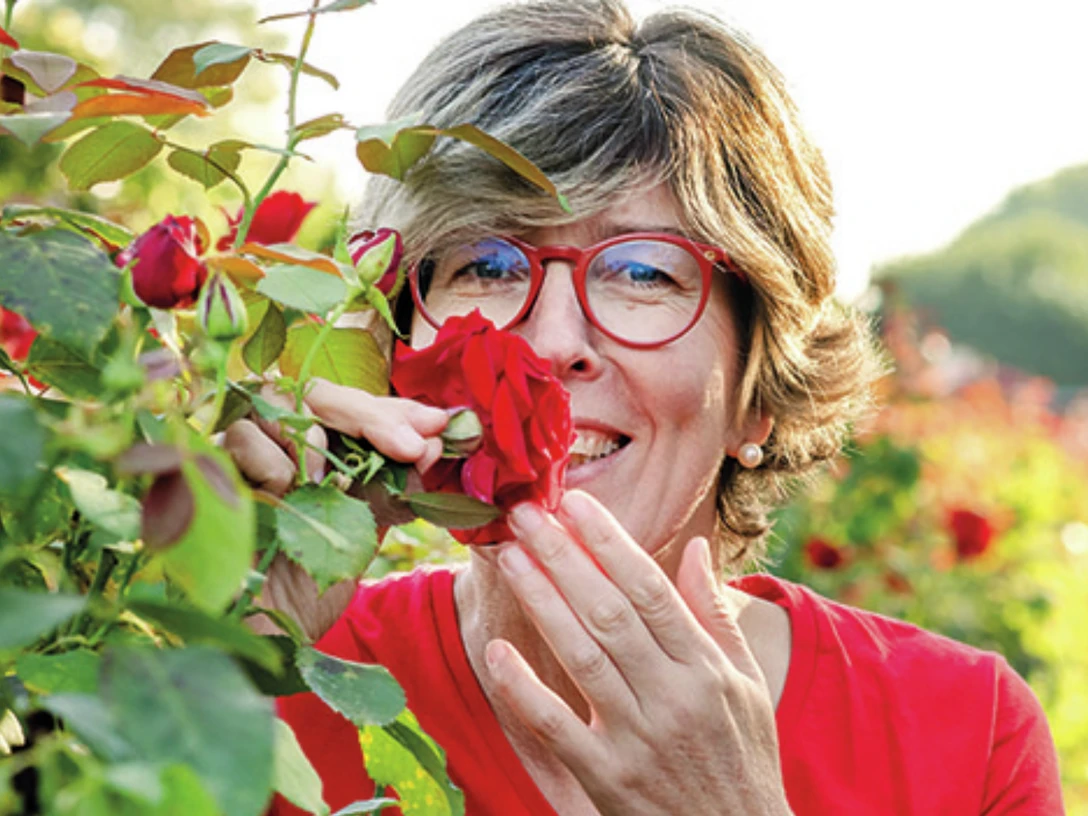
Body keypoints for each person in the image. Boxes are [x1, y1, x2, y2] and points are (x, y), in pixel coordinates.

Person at [224, 1, 1064, 813]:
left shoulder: (966, 733)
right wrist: (214, 660)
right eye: (485, 263)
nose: (552, 343)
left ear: (756, 394)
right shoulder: (287, 665)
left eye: (641, 273)